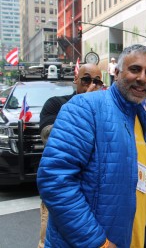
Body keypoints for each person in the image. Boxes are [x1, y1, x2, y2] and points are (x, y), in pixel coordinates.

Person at [37, 45, 146, 248]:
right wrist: (97, 243)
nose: (143, 78)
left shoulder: (140, 118)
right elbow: (54, 180)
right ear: (116, 73)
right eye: (135, 69)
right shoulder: (84, 107)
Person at [37, 64, 103, 248]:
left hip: (94, 197)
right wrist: (82, 103)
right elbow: (49, 137)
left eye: (97, 81)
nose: (92, 84)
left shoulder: (104, 113)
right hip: (62, 195)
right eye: (86, 79)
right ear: (76, 80)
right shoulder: (55, 104)